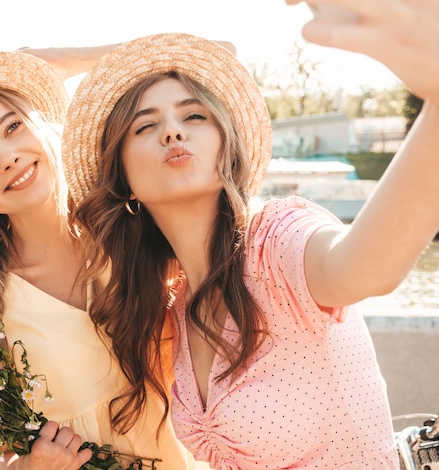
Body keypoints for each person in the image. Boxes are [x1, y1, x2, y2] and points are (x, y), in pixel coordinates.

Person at [61, 24, 439, 468]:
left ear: (226, 144)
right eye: (145, 126)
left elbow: (366, 268)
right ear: (123, 181)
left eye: (194, 116)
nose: (172, 132)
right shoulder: (175, 308)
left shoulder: (276, 241)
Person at [0, 50, 207, 470]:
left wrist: (47, 64)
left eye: (13, 126)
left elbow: (217, 58)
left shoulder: (131, 216)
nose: (8, 157)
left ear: (39, 121)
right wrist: (32, 464)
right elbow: (9, 454)